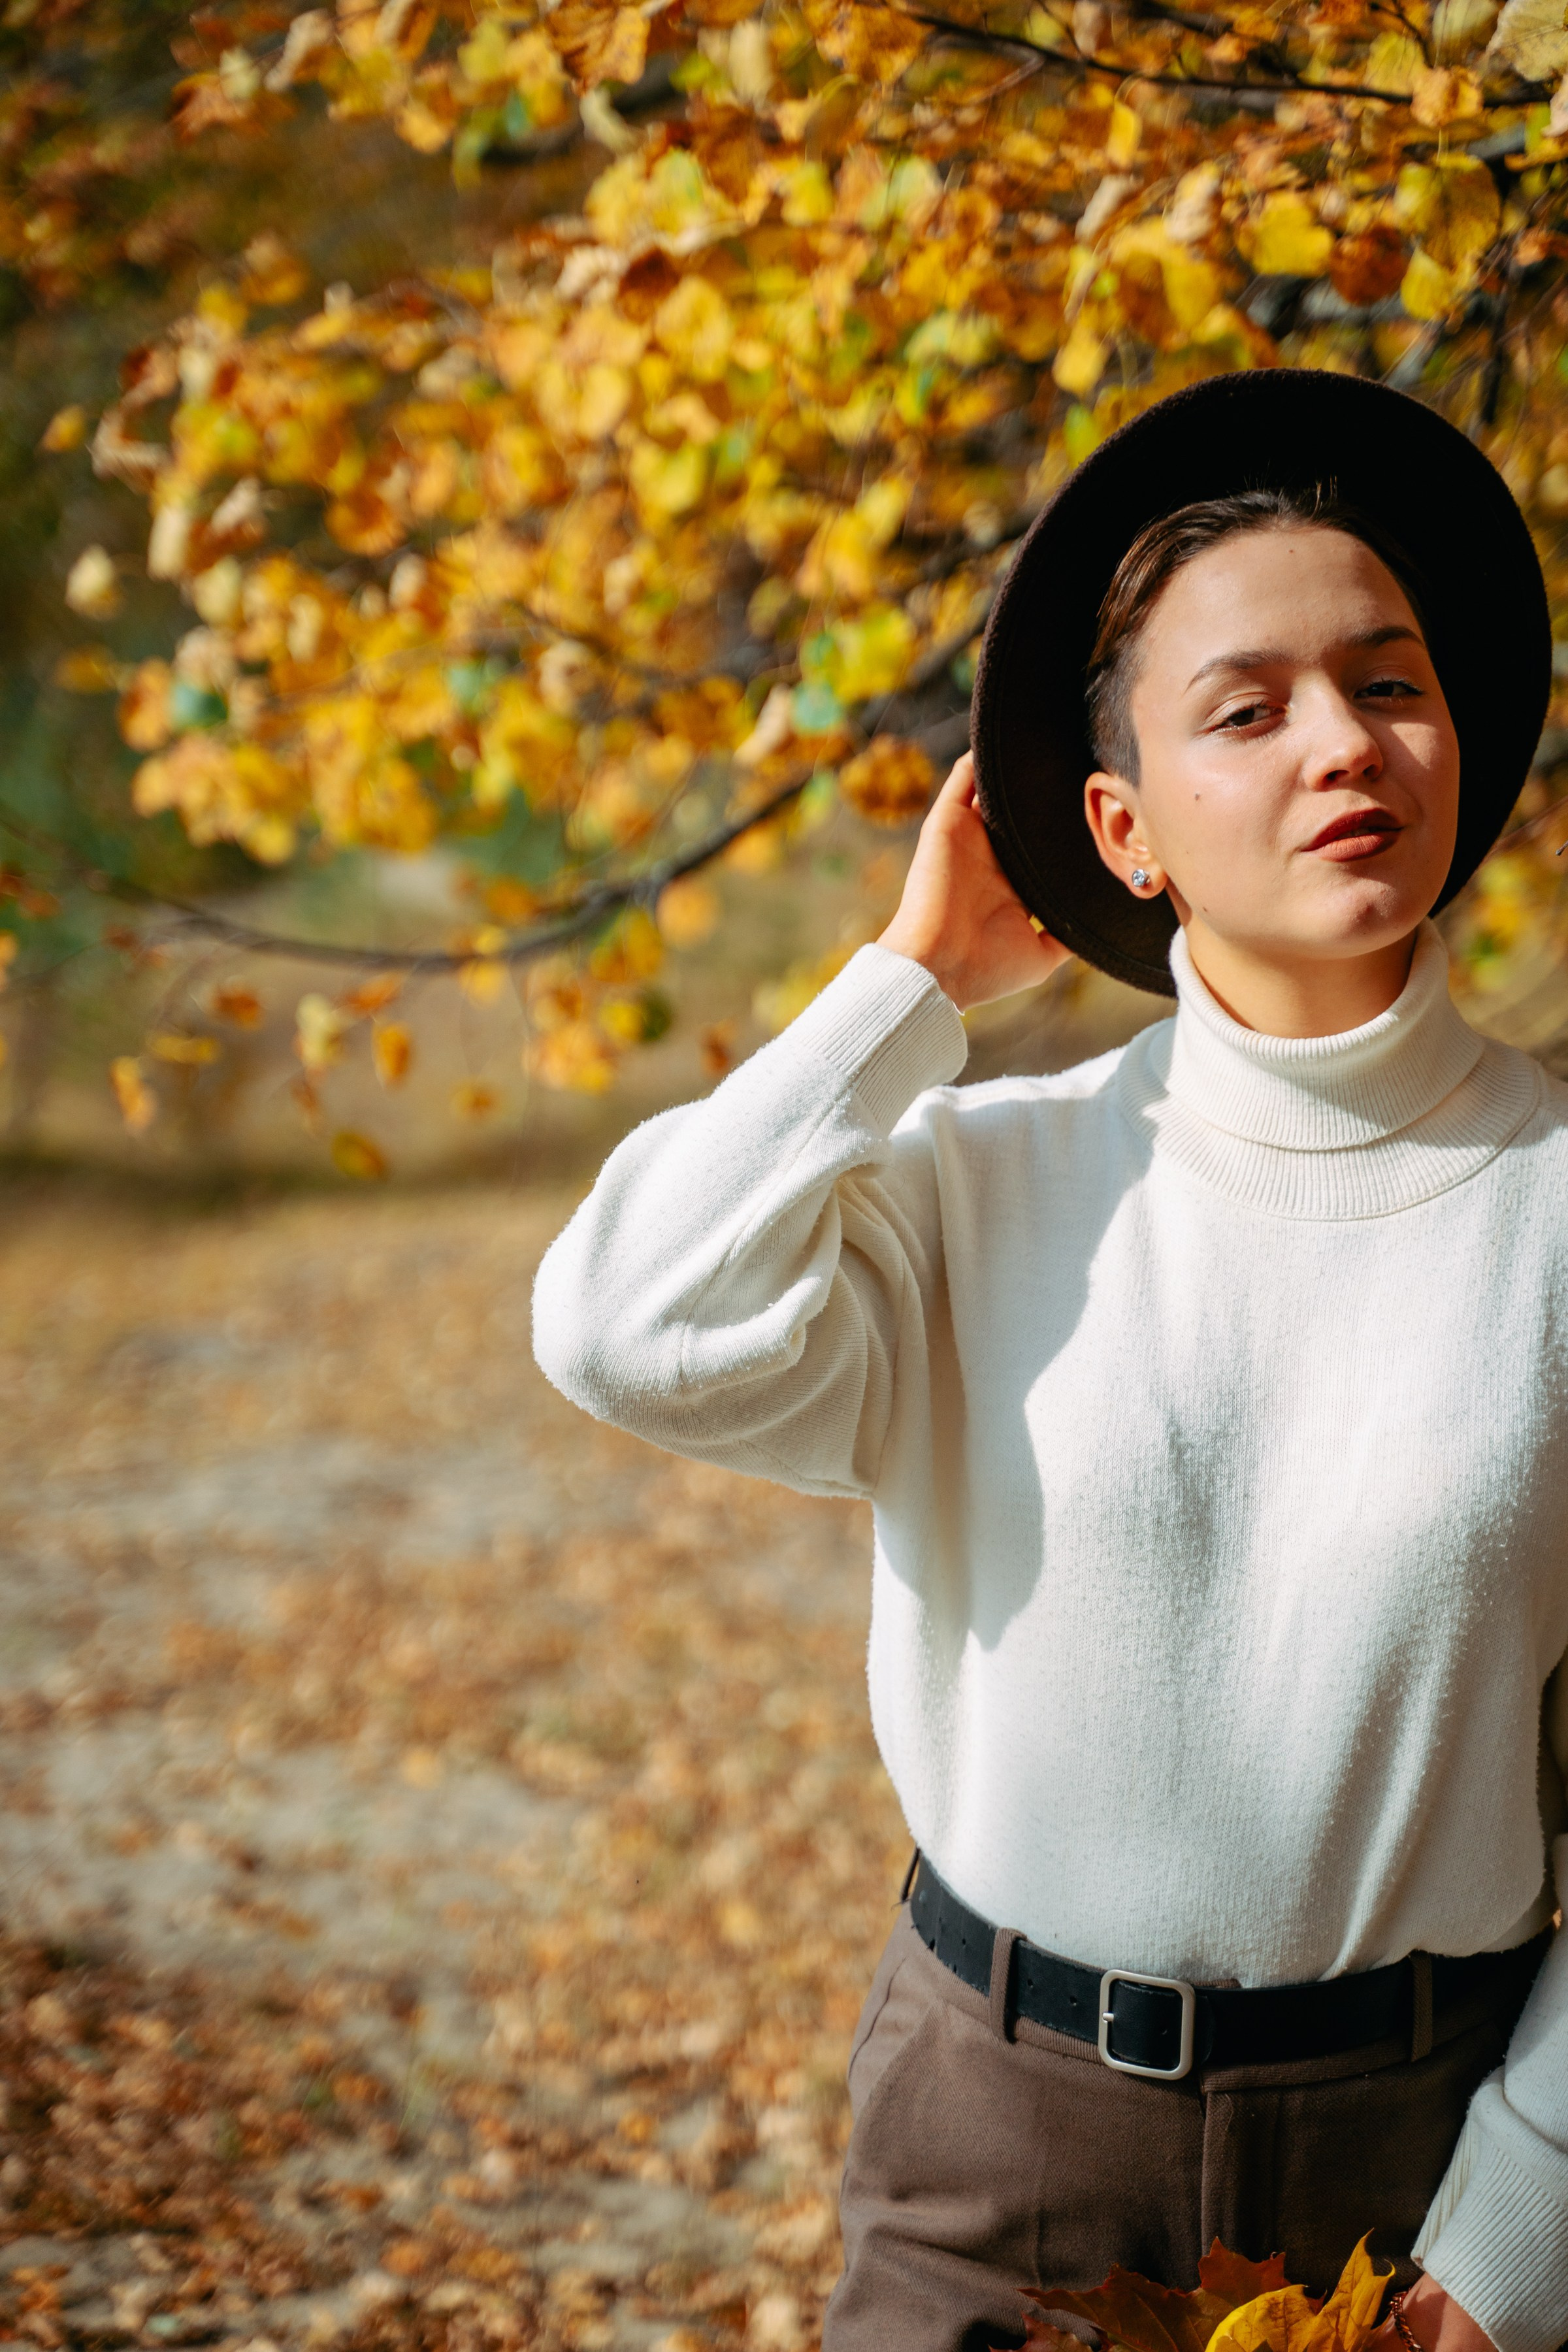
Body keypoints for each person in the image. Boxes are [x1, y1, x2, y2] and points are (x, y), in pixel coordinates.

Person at [531, 370, 1568, 2352]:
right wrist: (908, 987)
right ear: (1122, 827)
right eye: (1246, 710)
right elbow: (620, 1327)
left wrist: (1518, 2242)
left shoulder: (1557, 1210)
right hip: (995, 2149)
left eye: (1391, 682)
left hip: (1429, 2163)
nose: (1342, 743)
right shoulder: (975, 1185)